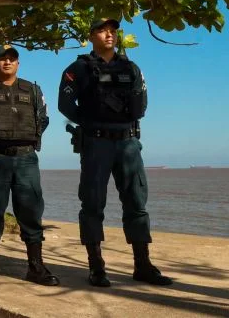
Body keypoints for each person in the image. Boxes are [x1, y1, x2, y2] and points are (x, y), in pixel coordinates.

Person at [58, 18, 172, 287]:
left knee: (136, 203)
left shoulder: (131, 68)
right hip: (97, 144)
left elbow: (141, 104)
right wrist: (90, 123)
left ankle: (142, 265)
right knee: (93, 204)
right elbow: (65, 104)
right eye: (102, 30)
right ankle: (96, 268)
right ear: (91, 36)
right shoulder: (78, 69)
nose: (109, 34)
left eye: (112, 30)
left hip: (128, 143)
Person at [0, 45, 59, 287]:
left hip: (26, 159)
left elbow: (43, 118)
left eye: (12, 59)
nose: (7, 62)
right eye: (2, 59)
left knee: (31, 211)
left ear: (18, 64)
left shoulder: (33, 90)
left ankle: (35, 267)